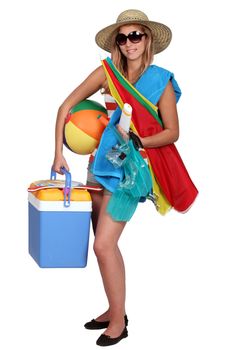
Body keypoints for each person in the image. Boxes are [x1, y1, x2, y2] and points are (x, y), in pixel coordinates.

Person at [52, 9, 180, 347]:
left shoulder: (161, 80)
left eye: (135, 35)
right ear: (116, 43)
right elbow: (65, 107)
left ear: (147, 39)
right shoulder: (107, 74)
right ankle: (114, 308)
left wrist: (140, 141)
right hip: (99, 166)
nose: (129, 43)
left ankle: (119, 321)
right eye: (122, 38)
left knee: (103, 244)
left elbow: (172, 132)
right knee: (106, 249)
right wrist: (58, 154)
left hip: (130, 173)